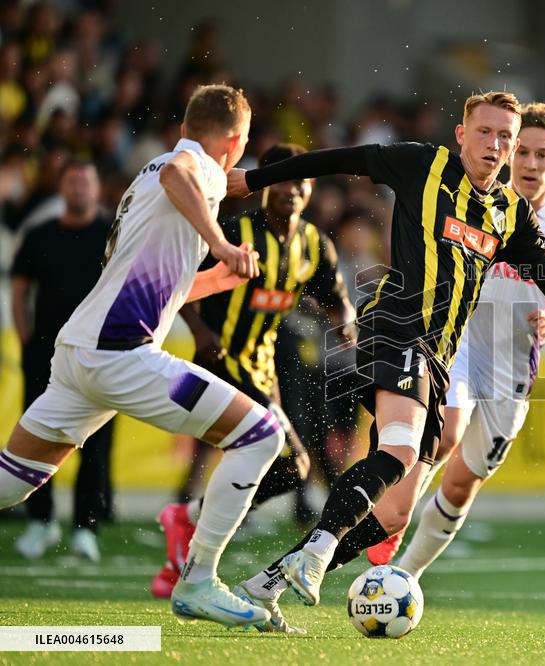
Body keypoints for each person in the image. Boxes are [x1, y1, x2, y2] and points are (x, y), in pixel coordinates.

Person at [225, 92, 545, 626]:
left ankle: (269, 581)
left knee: (397, 508)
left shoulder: (510, 214)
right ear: (461, 134)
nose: (496, 146)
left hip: (439, 356)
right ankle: (318, 549)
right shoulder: (423, 165)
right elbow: (340, 159)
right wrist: (256, 179)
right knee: (402, 452)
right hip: (395, 329)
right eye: (486, 133)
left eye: (505, 138)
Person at [0, 84, 280, 629]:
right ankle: (198, 582)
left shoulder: (150, 174)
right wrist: (221, 243)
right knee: (261, 435)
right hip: (123, 359)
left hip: (79, 356)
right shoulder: (187, 167)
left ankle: (198, 578)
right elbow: (184, 173)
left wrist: (216, 276)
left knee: (11, 482)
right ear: (234, 139)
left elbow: (158, 281)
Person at [363, 102, 545, 570]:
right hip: (459, 343)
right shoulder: (480, 204)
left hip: (512, 366)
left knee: (460, 486)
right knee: (445, 432)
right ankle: (393, 520)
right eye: (522, 152)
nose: (530, 164)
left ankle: (408, 574)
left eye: (541, 156)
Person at [149, 143, 355, 622]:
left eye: (300, 182)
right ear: (263, 183)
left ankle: (185, 530)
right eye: (281, 180)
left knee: (287, 467)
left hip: (262, 369)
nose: (291, 190)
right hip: (222, 364)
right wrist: (200, 332)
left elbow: (336, 298)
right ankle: (191, 534)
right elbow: (181, 283)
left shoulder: (312, 244)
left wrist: (346, 321)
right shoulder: (234, 231)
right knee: (291, 461)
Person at [10, 159, 114, 562]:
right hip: (45, 356)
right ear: (62, 189)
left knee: (96, 445)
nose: (79, 188)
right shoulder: (39, 235)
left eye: (85, 181)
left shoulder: (112, 235)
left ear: (96, 187)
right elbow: (19, 292)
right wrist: (26, 339)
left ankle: (85, 527)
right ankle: (41, 520)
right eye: (72, 182)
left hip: (101, 357)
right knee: (37, 438)